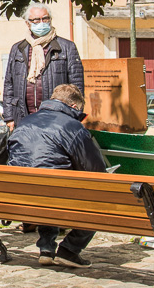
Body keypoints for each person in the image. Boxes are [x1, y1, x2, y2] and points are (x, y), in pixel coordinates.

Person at [6, 84, 105, 268]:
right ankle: (69, 250)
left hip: (20, 197)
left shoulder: (25, 122)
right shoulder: (72, 126)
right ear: (74, 107)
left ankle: (46, 248)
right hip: (56, 197)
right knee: (100, 199)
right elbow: (95, 170)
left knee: (45, 185)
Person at [3, 4, 84, 131]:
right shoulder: (18, 49)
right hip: (24, 117)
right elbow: (9, 84)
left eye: (45, 19)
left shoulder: (66, 47)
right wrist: (9, 116)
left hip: (57, 119)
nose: (41, 23)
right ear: (28, 23)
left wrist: (75, 115)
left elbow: (77, 84)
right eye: (36, 20)